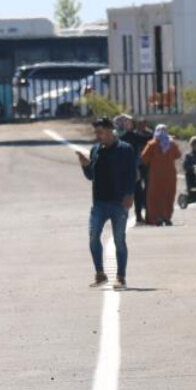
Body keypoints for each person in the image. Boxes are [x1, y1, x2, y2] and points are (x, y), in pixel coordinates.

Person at [78, 117, 136, 289]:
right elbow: (91, 176)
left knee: (119, 240)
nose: (97, 136)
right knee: (93, 236)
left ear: (110, 131)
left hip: (119, 203)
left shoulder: (125, 149)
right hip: (99, 204)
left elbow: (132, 174)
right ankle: (100, 273)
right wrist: (85, 166)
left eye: (100, 132)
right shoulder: (96, 150)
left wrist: (130, 194)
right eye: (96, 132)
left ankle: (121, 277)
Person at [140, 123, 181, 226]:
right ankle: (166, 217)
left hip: (156, 175)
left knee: (154, 196)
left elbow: (144, 158)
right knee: (168, 196)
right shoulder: (172, 144)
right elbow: (178, 155)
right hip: (170, 175)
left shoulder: (152, 144)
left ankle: (156, 218)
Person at [119, 115, 153, 223]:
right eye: (125, 123)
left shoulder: (134, 136)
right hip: (124, 169)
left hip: (135, 168)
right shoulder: (119, 137)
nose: (127, 124)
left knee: (138, 193)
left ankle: (138, 215)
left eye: (129, 122)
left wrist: (158, 135)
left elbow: (147, 139)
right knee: (125, 194)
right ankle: (122, 216)